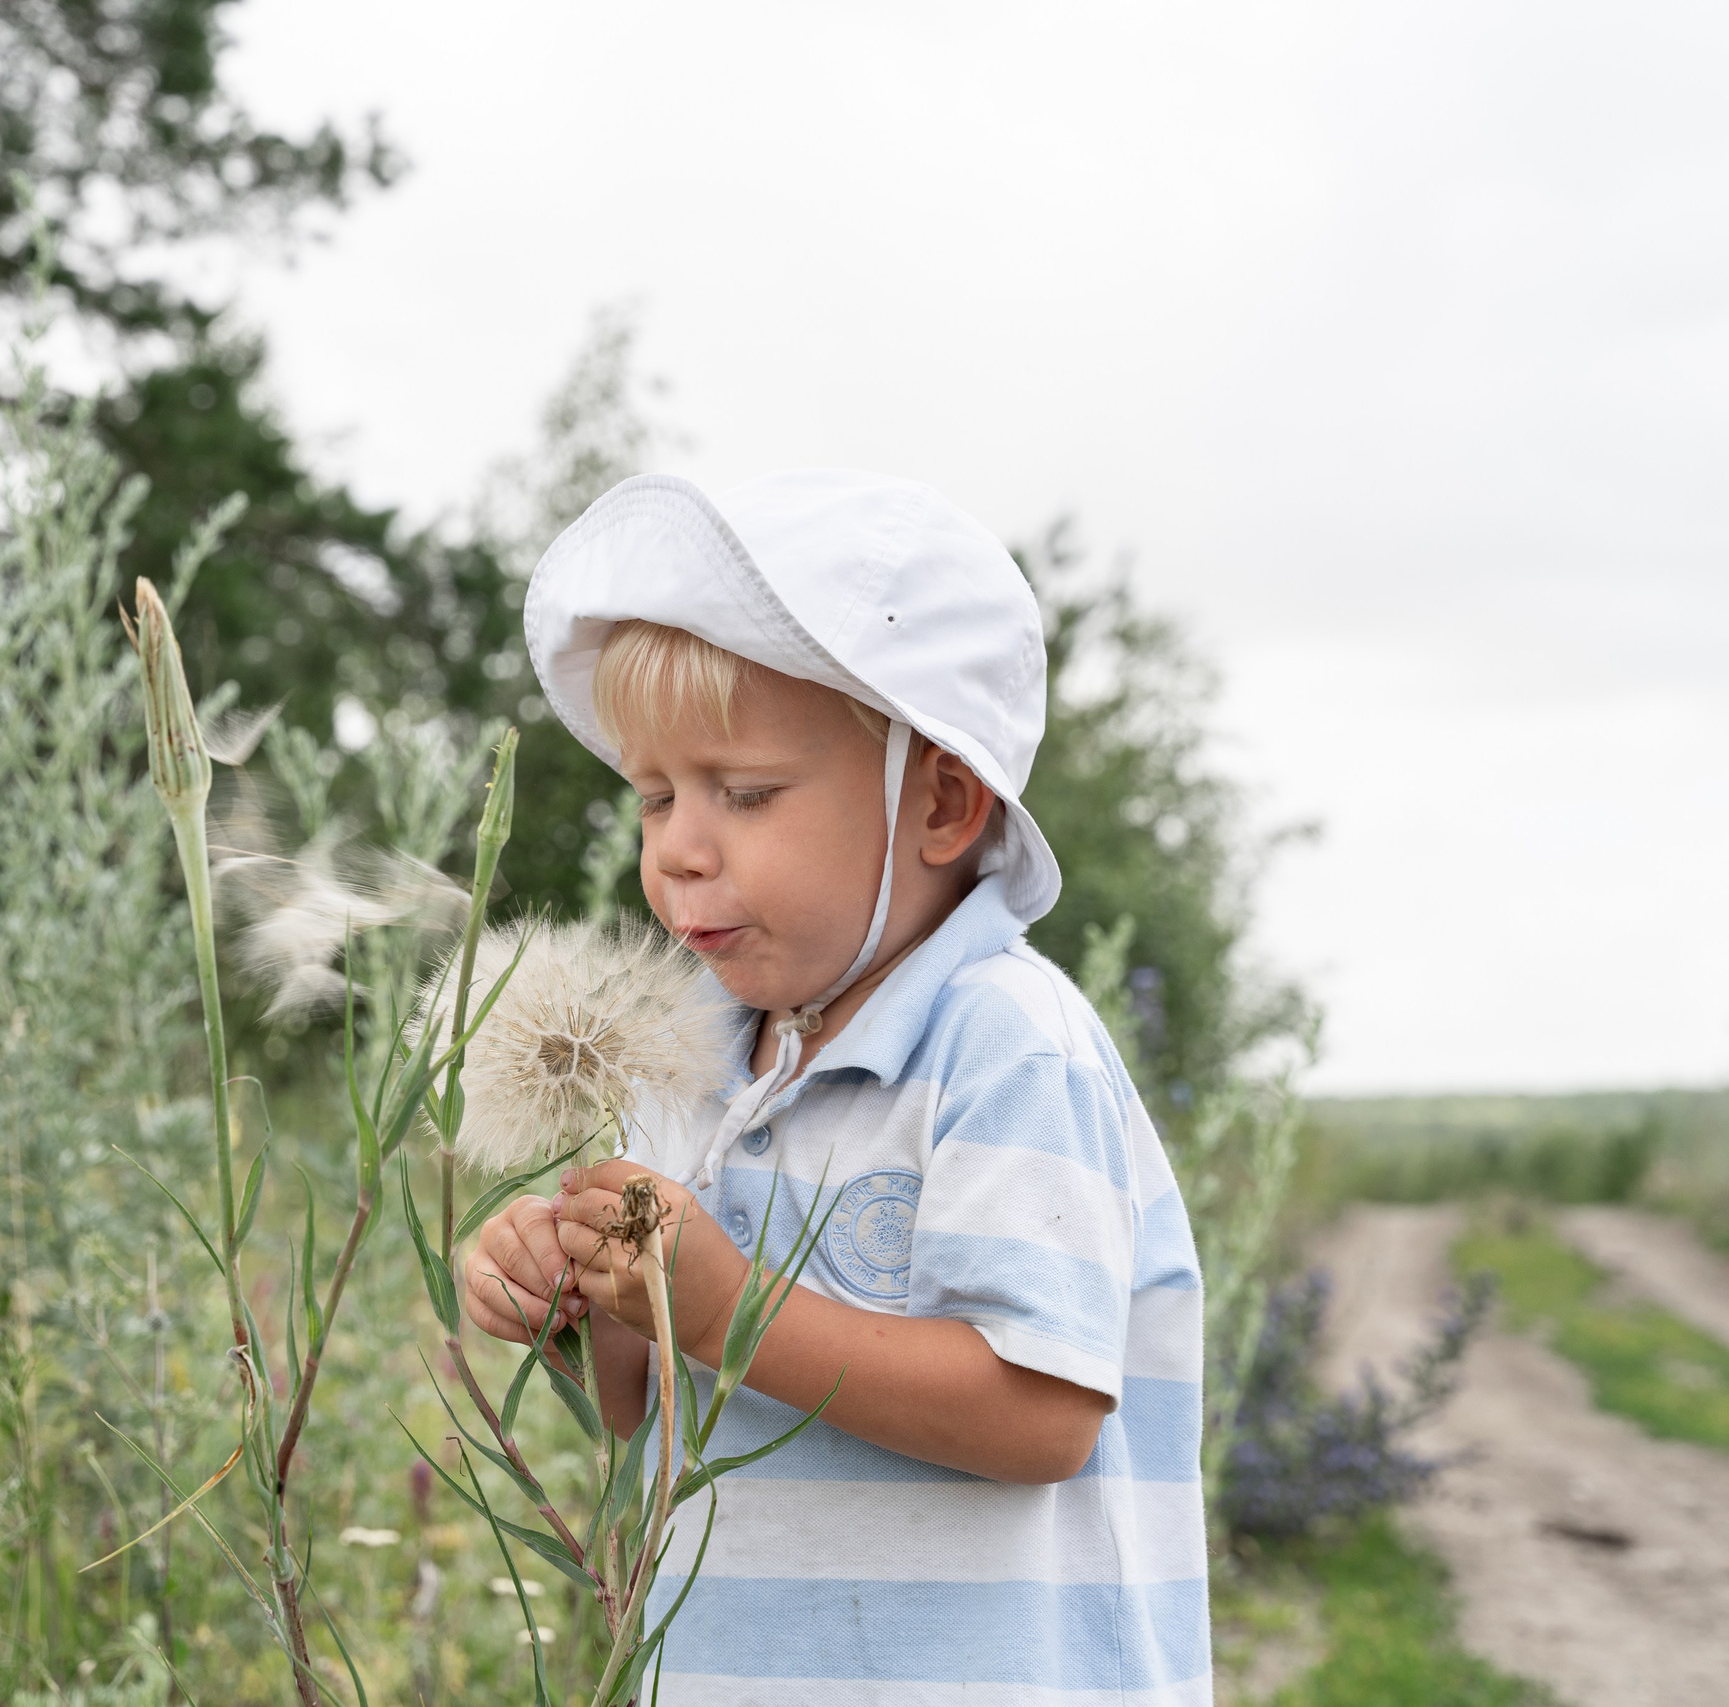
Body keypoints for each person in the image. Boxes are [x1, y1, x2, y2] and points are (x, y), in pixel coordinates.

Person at [462, 470, 1211, 1703]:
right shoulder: (689, 1055)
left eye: (744, 794)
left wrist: (719, 1307)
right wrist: (579, 1297)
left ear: (942, 804)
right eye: (653, 797)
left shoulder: (1006, 1044)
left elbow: (1039, 1419)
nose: (677, 847)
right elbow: (636, 1409)